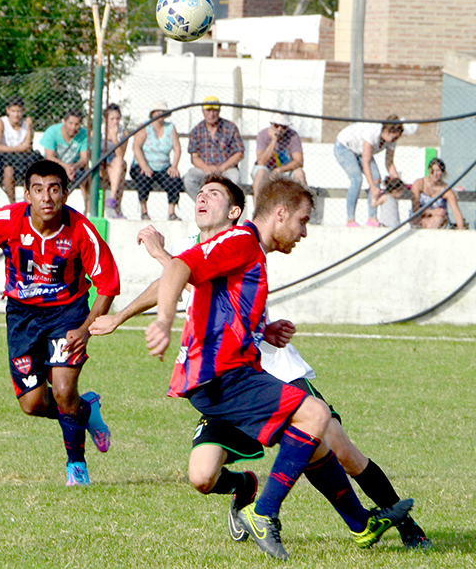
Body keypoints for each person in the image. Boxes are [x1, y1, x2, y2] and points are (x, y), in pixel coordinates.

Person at [91, 176, 426, 552]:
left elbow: (219, 302)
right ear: (280, 214)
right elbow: (178, 269)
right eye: (302, 221)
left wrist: (262, 331)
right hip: (220, 376)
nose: (303, 232)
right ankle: (263, 512)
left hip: (228, 372)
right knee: (315, 415)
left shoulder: (248, 249)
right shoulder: (241, 241)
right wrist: (164, 320)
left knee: (311, 439)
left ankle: (361, 523)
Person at [0, 159, 120, 486]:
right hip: (22, 316)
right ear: (27, 194)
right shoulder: (7, 220)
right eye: (38, 190)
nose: (46, 198)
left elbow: (108, 285)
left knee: (64, 390)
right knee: (33, 403)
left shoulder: (81, 231)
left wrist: (85, 328)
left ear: (65, 194)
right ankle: (85, 411)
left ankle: (76, 466)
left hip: (68, 313)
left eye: (54, 189)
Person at [334, 116, 403, 227]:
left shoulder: (391, 141)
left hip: (360, 151)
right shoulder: (372, 133)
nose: (395, 141)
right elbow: (366, 162)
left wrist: (397, 182)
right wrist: (372, 187)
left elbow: (389, 163)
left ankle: (372, 218)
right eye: (394, 137)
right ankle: (350, 220)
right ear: (386, 131)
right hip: (344, 147)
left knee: (376, 178)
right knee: (357, 179)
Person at [184, 96, 244, 202]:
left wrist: (221, 168)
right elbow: (195, 157)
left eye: (214, 110)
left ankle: (225, 207)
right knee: (189, 179)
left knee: (235, 179)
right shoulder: (196, 130)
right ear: (203, 111)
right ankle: (205, 204)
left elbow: (239, 153)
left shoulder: (230, 128)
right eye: (208, 110)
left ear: (219, 111)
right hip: (204, 169)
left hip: (226, 169)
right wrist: (206, 168)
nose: (211, 114)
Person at [131, 100, 184, 221]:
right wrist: (144, 165)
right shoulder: (144, 126)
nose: (160, 113)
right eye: (157, 111)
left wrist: (174, 166)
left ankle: (171, 212)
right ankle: (144, 211)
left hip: (163, 166)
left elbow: (177, 148)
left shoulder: (170, 128)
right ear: (152, 113)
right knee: (143, 178)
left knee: (174, 180)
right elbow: (136, 147)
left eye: (162, 111)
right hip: (143, 164)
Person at [0, 95, 41, 204]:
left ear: (23, 111)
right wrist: (18, 148)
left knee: (31, 171)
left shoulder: (27, 125)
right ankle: (13, 203)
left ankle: (28, 201)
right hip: (3, 158)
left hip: (21, 158)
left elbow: (28, 147)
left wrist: (30, 128)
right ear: (8, 111)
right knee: (8, 171)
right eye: (13, 111)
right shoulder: (0, 123)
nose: (16, 115)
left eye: (19, 111)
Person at [40, 109, 90, 212]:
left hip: (74, 168)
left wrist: (73, 167)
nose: (73, 127)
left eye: (77, 124)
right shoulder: (52, 132)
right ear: (64, 121)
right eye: (70, 123)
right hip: (53, 166)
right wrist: (65, 167)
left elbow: (84, 158)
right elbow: (49, 156)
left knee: (88, 177)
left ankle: (88, 211)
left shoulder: (84, 134)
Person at [252, 113, 306, 203]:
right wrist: (273, 140)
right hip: (267, 170)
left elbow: (299, 161)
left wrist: (281, 169)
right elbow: (261, 161)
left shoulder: (293, 136)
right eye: (276, 126)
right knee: (260, 173)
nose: (280, 129)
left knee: (299, 173)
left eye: (284, 127)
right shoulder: (263, 135)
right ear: (271, 124)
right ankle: (258, 209)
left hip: (285, 170)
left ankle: (300, 208)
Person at [411, 157, 465, 229]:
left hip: (438, 220)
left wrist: (461, 231)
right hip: (420, 217)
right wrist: (432, 212)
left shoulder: (446, 189)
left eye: (438, 170)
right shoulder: (419, 184)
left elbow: (456, 212)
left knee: (438, 218)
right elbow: (415, 209)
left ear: (442, 172)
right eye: (432, 170)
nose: (435, 174)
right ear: (428, 170)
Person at [101, 104, 128, 219]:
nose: (115, 122)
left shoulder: (124, 134)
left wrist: (115, 138)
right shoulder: (97, 131)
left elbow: (120, 155)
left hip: (115, 165)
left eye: (117, 119)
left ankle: (112, 199)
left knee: (120, 164)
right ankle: (116, 208)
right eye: (112, 119)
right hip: (101, 165)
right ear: (105, 119)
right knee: (119, 174)